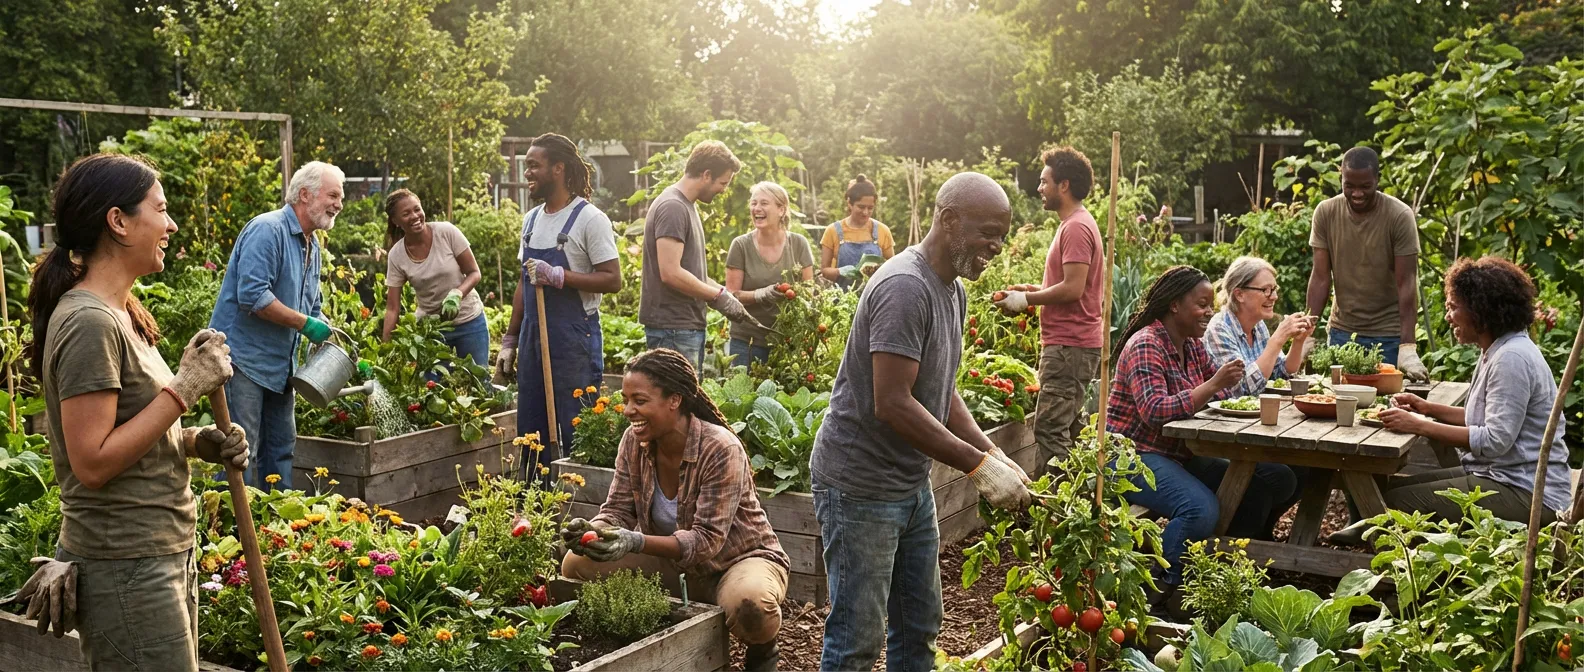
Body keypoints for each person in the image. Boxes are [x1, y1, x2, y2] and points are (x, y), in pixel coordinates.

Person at [19, 153, 249, 669]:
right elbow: (93, 462)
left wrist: (196, 441)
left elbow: (130, 428)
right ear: (118, 221)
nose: (170, 224)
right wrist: (184, 389)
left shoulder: (121, 313)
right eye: (160, 209)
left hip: (159, 552)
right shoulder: (88, 323)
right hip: (126, 564)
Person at [810, 172, 1031, 671]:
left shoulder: (951, 289)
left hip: (909, 485)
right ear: (949, 221)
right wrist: (976, 466)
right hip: (859, 485)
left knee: (918, 624)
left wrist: (993, 455)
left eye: (1002, 234)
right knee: (856, 639)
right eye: (987, 233)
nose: (996, 246)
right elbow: (893, 402)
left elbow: (940, 388)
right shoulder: (905, 287)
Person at [560, 348, 790, 671]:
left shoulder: (719, 448)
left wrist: (635, 541)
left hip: (734, 562)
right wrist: (592, 530)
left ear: (675, 400)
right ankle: (654, 639)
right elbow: (616, 510)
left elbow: (706, 541)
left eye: (639, 401)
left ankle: (763, 653)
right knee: (576, 563)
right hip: (676, 565)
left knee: (752, 606)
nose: (628, 410)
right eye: (626, 400)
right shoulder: (633, 442)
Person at [1337, 257, 1570, 537]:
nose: (1448, 317)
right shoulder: (1498, 349)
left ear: (1480, 309)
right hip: (1507, 478)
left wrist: (1418, 424)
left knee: (1396, 504)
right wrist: (1426, 407)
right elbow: (1486, 419)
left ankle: (1396, 576)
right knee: (1390, 489)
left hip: (1530, 493)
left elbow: (1494, 440)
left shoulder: (1512, 358)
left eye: (1453, 307)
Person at [1108, 266, 1297, 607]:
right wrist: (1212, 386)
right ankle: (1165, 585)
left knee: (1275, 478)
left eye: (1211, 304)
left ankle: (1227, 566)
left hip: (1178, 451)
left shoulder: (1192, 347)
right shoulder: (1146, 344)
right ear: (1175, 305)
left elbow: (1225, 395)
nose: (1210, 312)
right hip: (1130, 455)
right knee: (1199, 509)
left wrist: (1225, 386)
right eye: (1202, 304)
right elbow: (1155, 410)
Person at [209, 160, 343, 489]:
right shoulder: (267, 230)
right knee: (241, 451)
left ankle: (274, 532)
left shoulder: (312, 246)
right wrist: (305, 324)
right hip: (243, 362)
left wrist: (326, 331)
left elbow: (312, 305)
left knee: (281, 449)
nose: (339, 205)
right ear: (304, 194)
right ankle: (229, 531)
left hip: (281, 368)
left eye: (341, 198)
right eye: (333, 196)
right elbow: (253, 296)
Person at [496, 133, 621, 480]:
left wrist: (560, 276)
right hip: (534, 335)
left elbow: (612, 279)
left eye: (534, 166)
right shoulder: (532, 220)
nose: (528, 174)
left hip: (573, 338)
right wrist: (509, 339)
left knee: (572, 422)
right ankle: (534, 504)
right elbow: (526, 281)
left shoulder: (589, 219)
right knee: (531, 424)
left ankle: (574, 505)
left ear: (559, 168)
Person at [994, 147, 1105, 467]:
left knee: (1050, 429)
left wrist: (1026, 300)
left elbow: (1073, 289)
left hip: (1069, 347)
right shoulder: (1075, 224)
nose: (1039, 188)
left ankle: (1057, 511)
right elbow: (1073, 287)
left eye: (1045, 182)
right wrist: (1032, 290)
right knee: (1068, 427)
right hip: (1072, 345)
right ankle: (1079, 508)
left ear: (1064, 185)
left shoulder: (1075, 227)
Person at [1306, 146, 1427, 380]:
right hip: (1343, 331)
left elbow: (1406, 283)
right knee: (1337, 402)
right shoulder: (1326, 212)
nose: (1357, 194)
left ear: (1377, 180)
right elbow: (1320, 277)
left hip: (1388, 334)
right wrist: (1307, 333)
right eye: (1349, 185)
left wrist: (1407, 347)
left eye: (1365, 187)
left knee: (1383, 408)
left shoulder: (1398, 216)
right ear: (1341, 178)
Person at [638, 140, 753, 373]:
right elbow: (670, 273)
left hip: (682, 329)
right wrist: (717, 297)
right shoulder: (673, 207)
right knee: (676, 405)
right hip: (673, 330)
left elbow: (691, 273)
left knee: (684, 404)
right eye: (723, 182)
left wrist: (723, 293)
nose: (724, 189)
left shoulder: (686, 206)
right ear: (706, 174)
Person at [380, 189, 487, 366]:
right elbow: (392, 308)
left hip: (470, 322)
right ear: (395, 221)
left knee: (479, 385)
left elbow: (475, 272)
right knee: (431, 389)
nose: (415, 216)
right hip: (433, 330)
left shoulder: (446, 232)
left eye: (417, 209)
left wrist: (457, 294)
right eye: (406, 214)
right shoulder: (397, 255)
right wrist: (385, 348)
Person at [723, 181, 814, 367]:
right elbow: (731, 295)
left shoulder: (798, 244)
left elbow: (809, 291)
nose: (757, 208)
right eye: (753, 203)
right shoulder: (741, 246)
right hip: (747, 340)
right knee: (743, 395)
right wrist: (761, 294)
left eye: (764, 203)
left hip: (786, 340)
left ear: (781, 209)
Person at [1204, 256, 1316, 397]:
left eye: (1274, 289)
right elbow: (1243, 389)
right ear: (1239, 295)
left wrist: (1298, 341)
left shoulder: (1258, 326)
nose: (1274, 296)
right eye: (1266, 290)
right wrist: (1277, 340)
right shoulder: (1219, 329)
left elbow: (1281, 373)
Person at [819, 174, 895, 288]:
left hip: (875, 296)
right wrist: (840, 272)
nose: (865, 212)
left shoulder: (882, 231)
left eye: (870, 208)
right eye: (861, 207)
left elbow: (893, 267)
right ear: (849, 203)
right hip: (844, 300)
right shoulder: (833, 231)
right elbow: (824, 271)